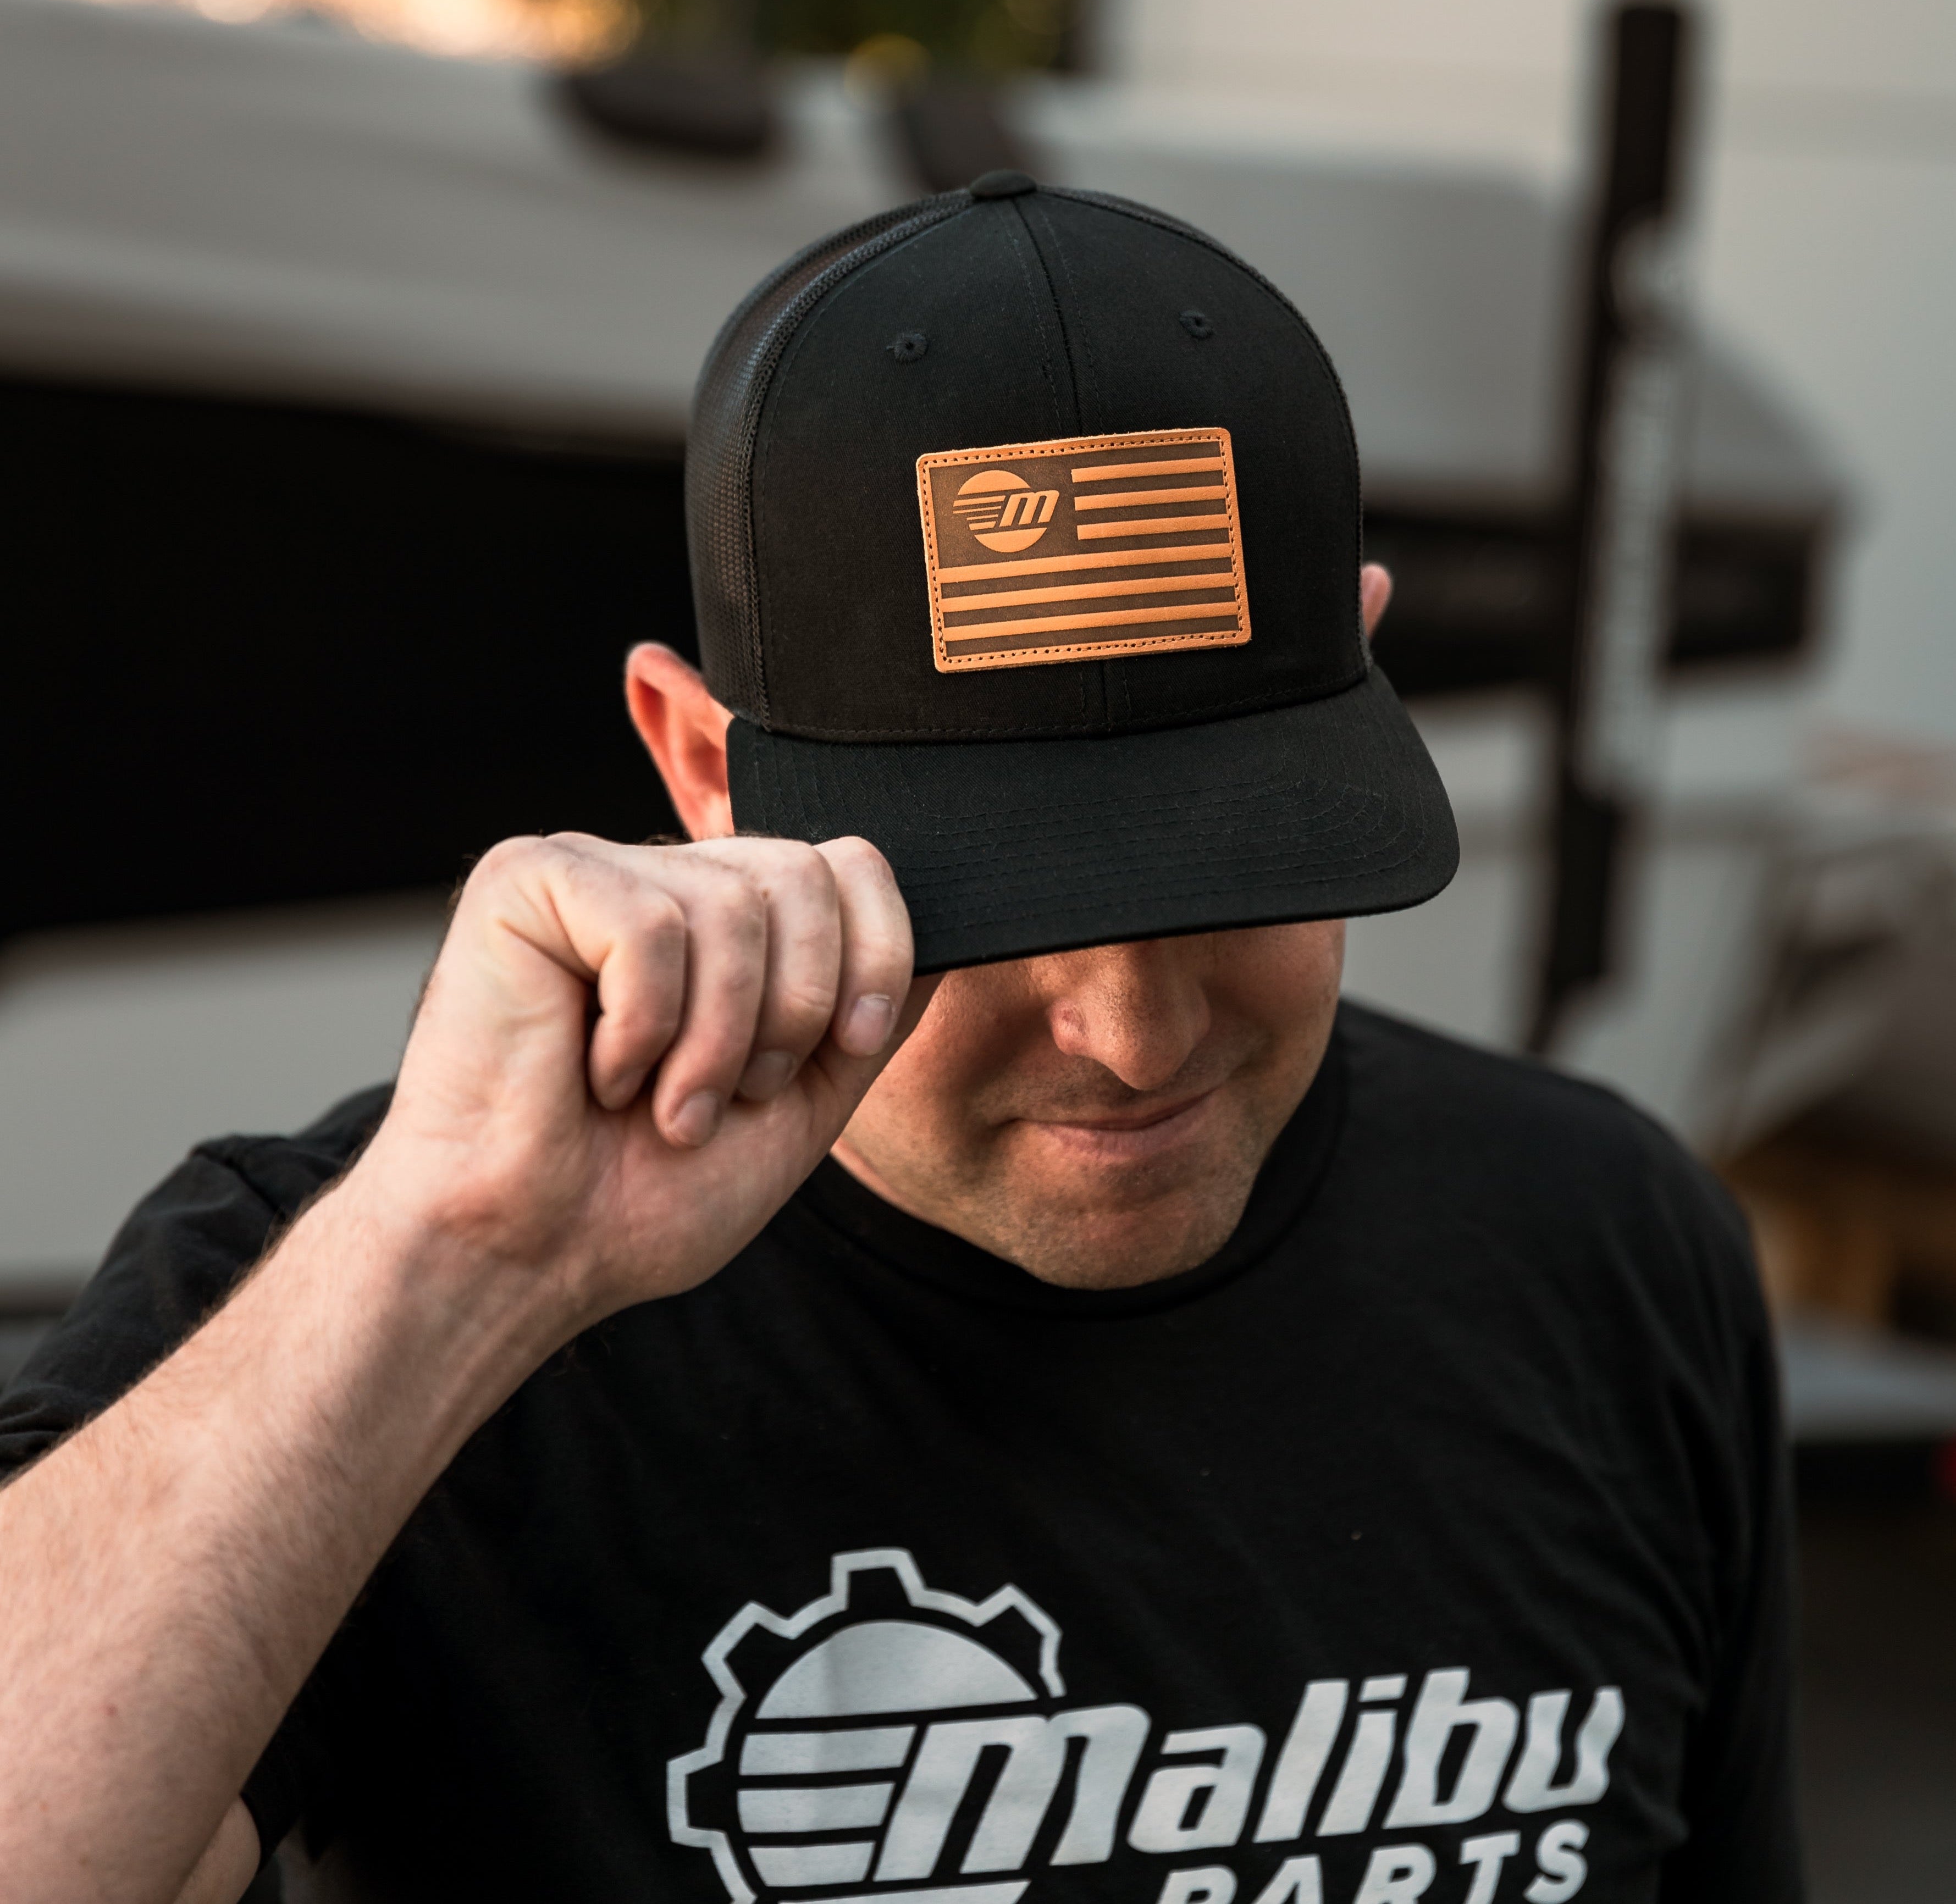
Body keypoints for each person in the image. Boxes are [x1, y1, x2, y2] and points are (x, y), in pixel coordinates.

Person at [0, 175, 1798, 1904]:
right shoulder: (341, 1301)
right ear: (700, 768)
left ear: (1367, 672)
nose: (1128, 1030)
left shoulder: (1608, 1249)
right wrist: (449, 1267)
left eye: (1233, 864)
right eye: (986, 905)